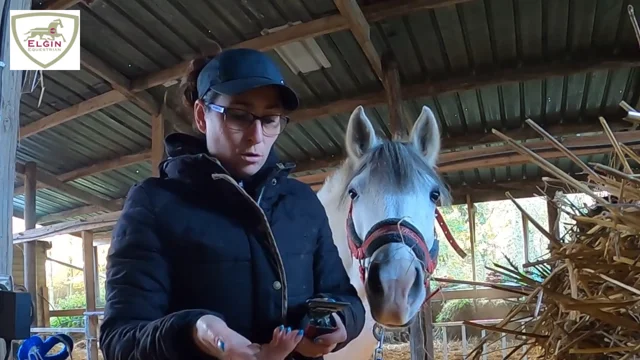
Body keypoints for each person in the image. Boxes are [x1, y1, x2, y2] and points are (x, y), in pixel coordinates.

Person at [98, 48, 366, 360]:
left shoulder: (301, 202)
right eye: (239, 115)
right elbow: (120, 340)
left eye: (270, 120)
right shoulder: (155, 203)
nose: (257, 136)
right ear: (201, 115)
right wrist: (196, 331)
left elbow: (343, 297)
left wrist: (338, 323)